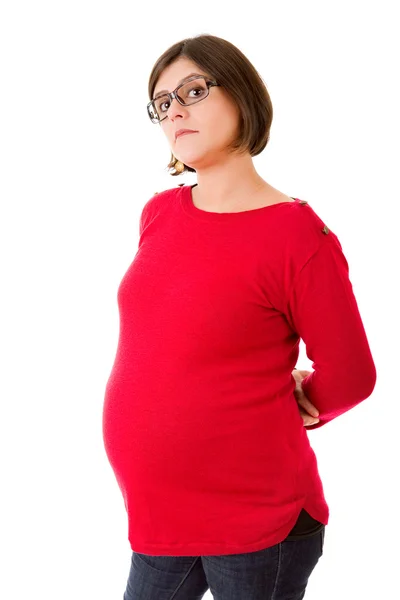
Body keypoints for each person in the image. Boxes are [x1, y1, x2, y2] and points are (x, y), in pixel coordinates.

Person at [102, 34, 377, 599]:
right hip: (161, 517)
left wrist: (305, 405)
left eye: (193, 90)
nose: (174, 109)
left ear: (243, 96)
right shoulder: (158, 213)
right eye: (162, 102)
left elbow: (352, 374)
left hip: (258, 521)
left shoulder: (297, 235)